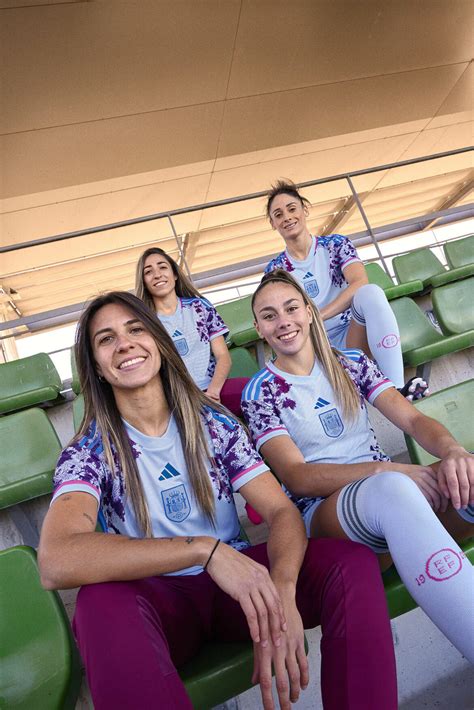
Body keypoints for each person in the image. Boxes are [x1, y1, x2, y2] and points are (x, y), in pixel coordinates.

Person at [38, 291, 398, 710]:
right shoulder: (89, 449)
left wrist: (281, 590)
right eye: (106, 339)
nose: (125, 343)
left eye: (136, 329)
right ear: (96, 368)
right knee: (98, 605)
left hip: (241, 590)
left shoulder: (215, 425)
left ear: (158, 342)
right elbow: (57, 558)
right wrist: (206, 552)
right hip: (162, 600)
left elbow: (280, 511)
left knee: (346, 562)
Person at [241, 269, 474, 663]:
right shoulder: (260, 392)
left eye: (291, 308)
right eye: (269, 315)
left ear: (311, 312)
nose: (283, 321)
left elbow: (413, 420)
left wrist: (453, 451)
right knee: (393, 491)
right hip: (326, 517)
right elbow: (298, 478)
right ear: (259, 329)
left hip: (394, 498)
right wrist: (387, 472)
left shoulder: (349, 362)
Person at [265, 180, 427, 400]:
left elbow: (359, 281)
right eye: (278, 214)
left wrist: (320, 315)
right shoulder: (275, 270)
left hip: (353, 335)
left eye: (292, 209)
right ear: (273, 224)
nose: (287, 217)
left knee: (370, 292)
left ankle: (397, 388)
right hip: (315, 346)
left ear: (305, 210)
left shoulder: (335, 244)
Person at [135, 247, 231, 402]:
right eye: (148, 272)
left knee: (254, 394)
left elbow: (223, 356)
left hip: (214, 389)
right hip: (177, 399)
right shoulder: (145, 323)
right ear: (144, 282)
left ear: (174, 274)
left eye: (162, 267)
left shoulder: (201, 306)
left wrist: (213, 392)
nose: (157, 274)